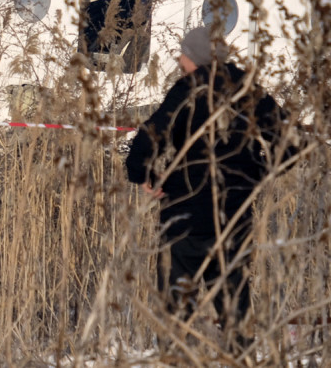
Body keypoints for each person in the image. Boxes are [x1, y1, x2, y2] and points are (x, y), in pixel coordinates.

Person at [125, 26, 293, 348]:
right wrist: (257, 173)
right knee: (236, 313)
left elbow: (150, 135)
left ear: (197, 58)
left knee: (175, 317)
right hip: (234, 217)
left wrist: (144, 174)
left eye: (184, 54)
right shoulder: (249, 90)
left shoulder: (186, 89)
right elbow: (291, 143)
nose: (180, 59)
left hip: (184, 217)